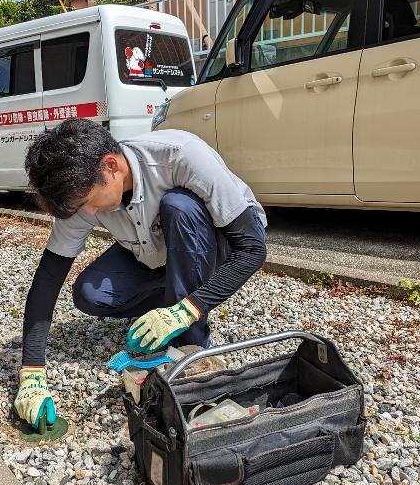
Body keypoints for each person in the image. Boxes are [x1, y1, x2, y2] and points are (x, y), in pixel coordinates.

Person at [14, 119, 268, 429]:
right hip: (156, 250)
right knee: (90, 293)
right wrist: (32, 373)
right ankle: (171, 306)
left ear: (110, 166)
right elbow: (48, 279)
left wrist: (186, 311)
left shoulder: (180, 156)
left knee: (179, 207)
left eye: (88, 203)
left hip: (220, 242)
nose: (88, 213)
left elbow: (253, 250)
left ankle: (193, 349)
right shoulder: (81, 192)